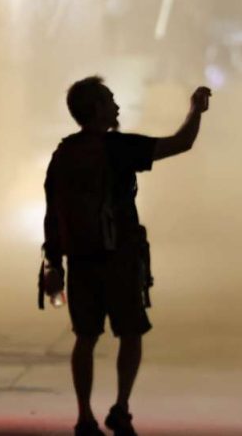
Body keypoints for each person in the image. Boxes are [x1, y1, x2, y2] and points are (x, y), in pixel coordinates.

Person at [42, 77, 211, 436]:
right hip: (119, 258)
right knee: (131, 333)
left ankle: (84, 416)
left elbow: (52, 214)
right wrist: (196, 110)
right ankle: (120, 408)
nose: (117, 106)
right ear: (97, 109)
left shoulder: (63, 154)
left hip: (81, 260)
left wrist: (53, 262)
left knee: (85, 337)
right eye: (110, 100)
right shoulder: (118, 148)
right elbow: (181, 143)